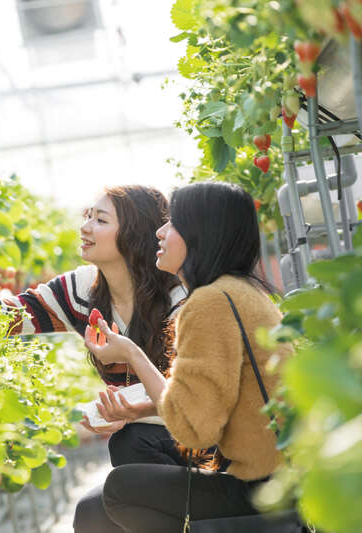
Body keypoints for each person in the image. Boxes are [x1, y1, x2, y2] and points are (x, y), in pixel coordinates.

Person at [0, 185, 188, 530]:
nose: (85, 226)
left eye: (100, 219)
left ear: (133, 234)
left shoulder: (179, 295)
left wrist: (120, 406)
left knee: (130, 444)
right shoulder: (81, 290)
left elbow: (189, 392)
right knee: (91, 512)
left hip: (198, 441)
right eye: (87, 215)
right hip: (144, 440)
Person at [86, 181, 293, 532]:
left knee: (120, 491)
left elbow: (194, 429)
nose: (160, 232)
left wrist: (132, 354)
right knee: (122, 461)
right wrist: (143, 409)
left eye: (173, 223)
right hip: (279, 477)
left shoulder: (210, 303)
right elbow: (221, 400)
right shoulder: (240, 291)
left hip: (264, 490)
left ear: (201, 234)